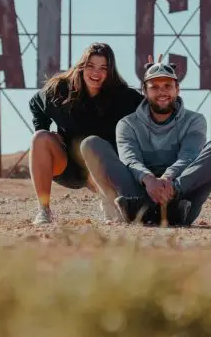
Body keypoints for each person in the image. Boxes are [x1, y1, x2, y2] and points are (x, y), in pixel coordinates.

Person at [80, 55, 211, 226]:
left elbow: (189, 155)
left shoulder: (194, 120)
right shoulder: (128, 124)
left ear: (177, 89)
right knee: (90, 145)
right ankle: (135, 208)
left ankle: (173, 206)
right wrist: (148, 179)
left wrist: (170, 182)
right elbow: (130, 159)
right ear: (144, 91)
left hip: (181, 201)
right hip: (137, 197)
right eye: (154, 87)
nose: (162, 92)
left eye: (168, 86)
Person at [28, 42, 144, 225]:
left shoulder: (123, 97)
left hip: (102, 172)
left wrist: (154, 77)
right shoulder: (60, 89)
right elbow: (35, 103)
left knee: (122, 218)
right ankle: (44, 210)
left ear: (110, 72)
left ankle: (111, 202)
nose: (96, 73)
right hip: (67, 166)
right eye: (91, 66)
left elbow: (150, 110)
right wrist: (43, 127)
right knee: (40, 138)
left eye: (103, 68)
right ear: (82, 67)